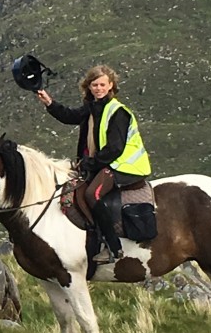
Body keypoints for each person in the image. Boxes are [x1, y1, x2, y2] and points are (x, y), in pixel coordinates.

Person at [36, 64, 152, 263]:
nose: (98, 88)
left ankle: (113, 247)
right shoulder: (92, 109)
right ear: (89, 87)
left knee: (92, 194)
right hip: (106, 163)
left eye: (102, 85)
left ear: (111, 86)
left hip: (124, 166)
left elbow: (115, 149)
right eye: (94, 85)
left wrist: (89, 164)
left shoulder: (118, 112)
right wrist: (50, 103)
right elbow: (70, 116)